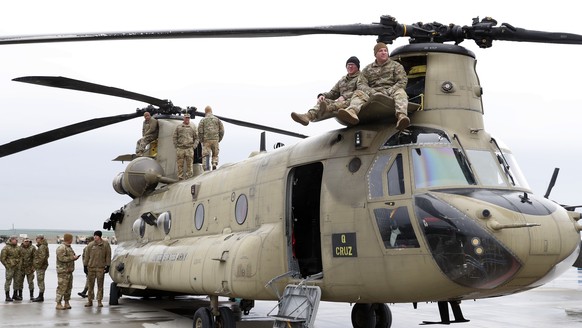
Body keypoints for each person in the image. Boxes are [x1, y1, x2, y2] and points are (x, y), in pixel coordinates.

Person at [338, 42, 410, 130]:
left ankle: (401, 116)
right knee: (358, 93)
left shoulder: (396, 66)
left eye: (385, 51)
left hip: (391, 92)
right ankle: (352, 112)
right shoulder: (368, 69)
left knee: (401, 92)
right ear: (375, 54)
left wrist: (389, 91)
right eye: (380, 51)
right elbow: (361, 84)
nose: (384, 52)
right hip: (372, 93)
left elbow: (402, 82)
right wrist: (371, 92)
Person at [291, 56, 361, 126]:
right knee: (324, 102)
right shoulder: (342, 80)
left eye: (352, 65)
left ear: (357, 67)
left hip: (353, 104)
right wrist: (322, 95)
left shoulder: (361, 77)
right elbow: (333, 93)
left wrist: (344, 96)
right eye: (348, 65)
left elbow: (362, 91)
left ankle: (326, 109)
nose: (350, 66)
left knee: (336, 104)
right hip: (340, 103)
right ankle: (307, 116)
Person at [83, 231, 111, 308]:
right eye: (94, 235)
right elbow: (86, 256)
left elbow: (108, 255)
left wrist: (108, 266)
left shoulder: (105, 245)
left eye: (97, 236)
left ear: (100, 236)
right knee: (90, 285)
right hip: (91, 268)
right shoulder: (90, 245)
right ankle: (90, 300)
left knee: (100, 285)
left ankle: (99, 301)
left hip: (100, 268)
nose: (95, 237)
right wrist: (85, 266)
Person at [55, 233, 81, 310]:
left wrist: (74, 257)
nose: (72, 240)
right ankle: (58, 303)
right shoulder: (61, 248)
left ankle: (66, 302)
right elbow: (62, 259)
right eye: (71, 238)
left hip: (69, 271)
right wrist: (72, 258)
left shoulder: (69, 248)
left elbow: (71, 256)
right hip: (63, 271)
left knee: (68, 288)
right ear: (68, 239)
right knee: (61, 288)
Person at [197, 106, 225, 170]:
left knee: (206, 154)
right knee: (215, 154)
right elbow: (222, 131)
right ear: (211, 111)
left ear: (205, 112)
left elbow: (200, 130)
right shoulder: (217, 119)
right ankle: (214, 163)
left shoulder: (203, 120)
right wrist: (218, 139)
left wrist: (202, 140)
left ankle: (206, 167)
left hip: (206, 140)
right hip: (215, 140)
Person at [173, 114, 199, 180]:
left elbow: (197, 138)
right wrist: (176, 146)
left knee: (189, 165)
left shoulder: (192, 127)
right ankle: (180, 177)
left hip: (189, 148)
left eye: (188, 118)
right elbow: (174, 137)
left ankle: (189, 178)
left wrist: (194, 146)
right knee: (180, 165)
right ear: (183, 119)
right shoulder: (179, 127)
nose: (187, 119)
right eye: (186, 118)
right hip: (180, 148)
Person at [1, 236, 21, 302]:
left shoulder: (18, 247)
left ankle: (15, 295)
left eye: (17, 239)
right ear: (11, 240)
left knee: (17, 281)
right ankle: (7, 296)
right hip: (10, 268)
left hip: (17, 268)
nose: (16, 240)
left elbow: (21, 256)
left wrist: (19, 264)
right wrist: (7, 266)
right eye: (15, 239)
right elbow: (2, 259)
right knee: (8, 281)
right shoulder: (6, 248)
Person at [32, 234, 49, 302]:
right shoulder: (43, 246)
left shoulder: (42, 247)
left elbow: (42, 258)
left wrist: (36, 266)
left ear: (41, 239)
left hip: (40, 267)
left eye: (37, 238)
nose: (36, 240)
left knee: (40, 281)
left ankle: (41, 296)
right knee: (40, 281)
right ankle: (40, 295)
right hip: (41, 266)